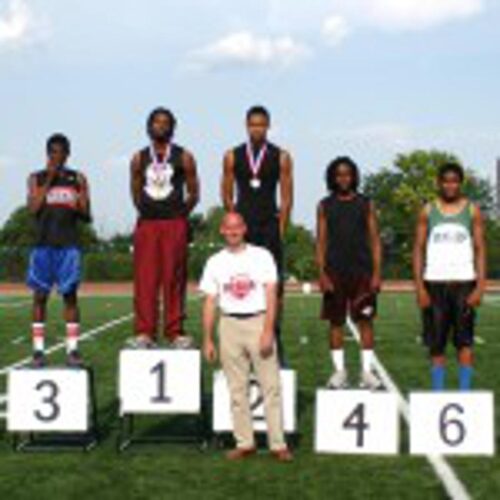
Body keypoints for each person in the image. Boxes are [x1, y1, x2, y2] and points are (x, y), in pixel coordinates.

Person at [200, 212, 293, 462]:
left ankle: (278, 444)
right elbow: (210, 302)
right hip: (229, 324)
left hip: (258, 321)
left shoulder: (261, 256)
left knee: (270, 387)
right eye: (228, 228)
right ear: (221, 230)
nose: (233, 231)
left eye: (237, 227)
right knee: (236, 389)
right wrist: (207, 338)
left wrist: (268, 330)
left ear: (244, 228)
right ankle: (245, 442)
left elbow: (271, 294)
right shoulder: (214, 262)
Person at [221, 105, 293, 367]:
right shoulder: (232, 155)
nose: (257, 129)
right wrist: (234, 224)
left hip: (269, 225)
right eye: (253, 125)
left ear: (268, 126)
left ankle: (274, 335)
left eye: (261, 125)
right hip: (245, 226)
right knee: (242, 281)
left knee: (274, 285)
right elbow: (227, 192)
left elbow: (286, 197)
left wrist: (281, 228)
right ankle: (243, 338)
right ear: (246, 125)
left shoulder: (281, 156)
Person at [413, 162, 486, 391]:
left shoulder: (472, 210)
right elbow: (418, 248)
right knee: (437, 344)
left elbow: (480, 248)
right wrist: (420, 287)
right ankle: (438, 396)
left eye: (454, 181)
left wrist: (480, 286)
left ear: (460, 183)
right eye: (446, 181)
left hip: (464, 283)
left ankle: (464, 394)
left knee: (464, 342)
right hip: (434, 283)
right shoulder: (428, 210)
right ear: (439, 183)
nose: (450, 185)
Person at [130, 107, 199, 348]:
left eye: (165, 122)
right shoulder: (139, 157)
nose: (160, 126)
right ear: (149, 127)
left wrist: (181, 214)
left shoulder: (184, 156)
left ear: (172, 128)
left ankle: (174, 331)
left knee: (174, 276)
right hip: (148, 224)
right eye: (156, 122)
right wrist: (147, 210)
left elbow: (194, 192)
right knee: (145, 279)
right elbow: (135, 190)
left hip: (174, 224)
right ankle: (145, 332)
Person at [316, 156, 383, 390]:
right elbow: (321, 241)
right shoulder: (324, 205)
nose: (343, 178)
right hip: (334, 272)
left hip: (362, 272)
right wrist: (322, 274)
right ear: (333, 178)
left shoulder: (366, 203)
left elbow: (375, 240)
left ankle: (367, 373)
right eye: (339, 174)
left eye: (347, 174)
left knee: (365, 321)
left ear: (354, 176)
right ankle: (339, 373)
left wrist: (377, 272)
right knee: (336, 323)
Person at [27, 134, 91, 367]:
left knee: (70, 298)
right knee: (39, 298)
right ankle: (38, 351)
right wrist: (50, 179)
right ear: (47, 154)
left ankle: (73, 351)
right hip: (43, 246)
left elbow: (87, 216)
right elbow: (33, 208)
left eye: (61, 152)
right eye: (53, 152)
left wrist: (80, 204)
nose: (57, 156)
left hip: (69, 246)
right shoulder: (36, 178)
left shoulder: (78, 179)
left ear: (67, 154)